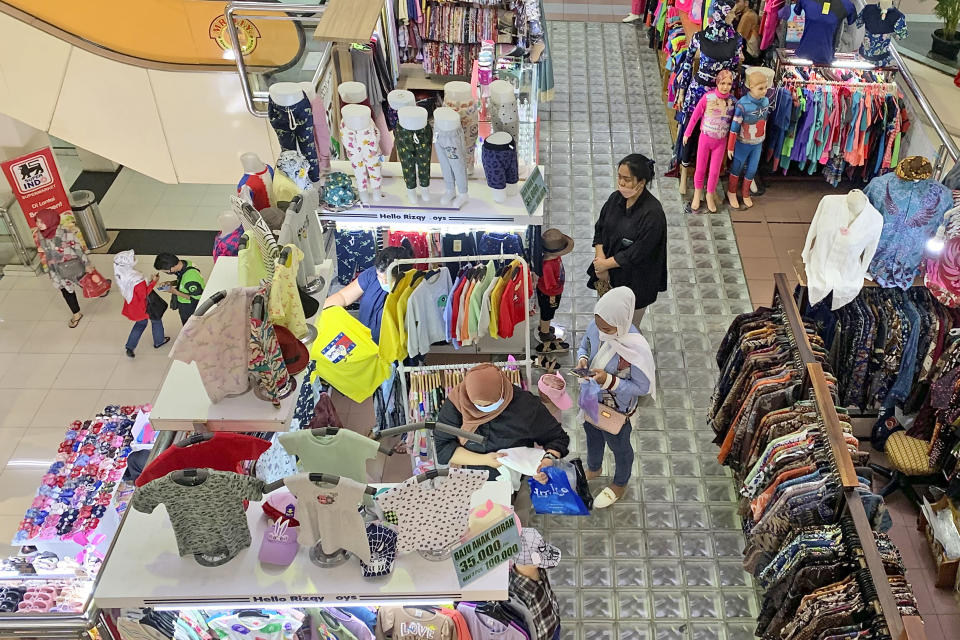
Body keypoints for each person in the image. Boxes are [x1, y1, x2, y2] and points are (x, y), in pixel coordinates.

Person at [576, 287, 655, 508]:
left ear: (621, 323)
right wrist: (582, 359)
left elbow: (643, 386)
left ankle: (620, 482)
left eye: (607, 328)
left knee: (619, 446)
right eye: (598, 324)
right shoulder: (598, 326)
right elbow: (585, 345)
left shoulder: (635, 347)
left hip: (617, 411)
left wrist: (609, 381)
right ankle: (594, 467)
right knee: (592, 435)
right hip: (591, 401)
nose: (601, 331)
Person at [434, 363, 570, 482]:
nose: (485, 411)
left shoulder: (526, 406)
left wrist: (547, 461)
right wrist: (485, 460)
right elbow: (444, 448)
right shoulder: (457, 403)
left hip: (517, 480)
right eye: (477, 405)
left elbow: (558, 438)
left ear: (502, 393)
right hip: (470, 479)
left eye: (490, 404)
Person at [588, 153, 667, 326]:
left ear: (641, 182)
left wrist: (606, 264)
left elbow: (639, 251)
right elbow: (600, 227)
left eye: (627, 179)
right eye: (619, 177)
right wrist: (600, 258)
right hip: (607, 275)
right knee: (606, 321)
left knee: (626, 328)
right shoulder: (615, 199)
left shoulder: (652, 214)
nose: (621, 183)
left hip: (636, 282)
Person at [323, 245, 414, 344]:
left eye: (387, 280)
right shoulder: (371, 275)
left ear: (402, 277)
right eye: (380, 277)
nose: (383, 282)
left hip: (395, 349)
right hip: (366, 342)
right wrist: (319, 312)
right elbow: (343, 297)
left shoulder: (411, 292)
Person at [35, 210, 96, 328]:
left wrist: (87, 264)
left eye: (41, 221)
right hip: (57, 270)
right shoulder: (40, 234)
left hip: (72, 266)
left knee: (85, 283)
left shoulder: (65, 233)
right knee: (66, 291)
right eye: (37, 221)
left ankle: (101, 289)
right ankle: (76, 314)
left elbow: (78, 249)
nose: (38, 224)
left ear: (50, 221)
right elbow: (46, 251)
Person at [115, 250, 168, 357]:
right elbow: (144, 294)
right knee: (156, 321)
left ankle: (130, 347)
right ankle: (159, 341)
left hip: (133, 306)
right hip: (145, 305)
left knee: (140, 324)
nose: (134, 259)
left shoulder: (121, 274)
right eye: (131, 258)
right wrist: (154, 282)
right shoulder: (136, 278)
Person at [536, 228, 573, 352]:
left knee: (547, 312)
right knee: (547, 313)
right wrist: (553, 297)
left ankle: (544, 327)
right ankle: (545, 334)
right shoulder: (548, 266)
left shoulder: (553, 259)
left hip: (549, 292)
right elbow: (550, 286)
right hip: (550, 294)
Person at [154, 253, 205, 325]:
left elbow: (197, 298)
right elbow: (182, 280)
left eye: (165, 272)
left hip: (189, 307)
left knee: (189, 327)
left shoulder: (191, 279)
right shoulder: (184, 263)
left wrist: (175, 292)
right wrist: (171, 283)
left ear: (171, 268)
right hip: (186, 303)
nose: (167, 273)